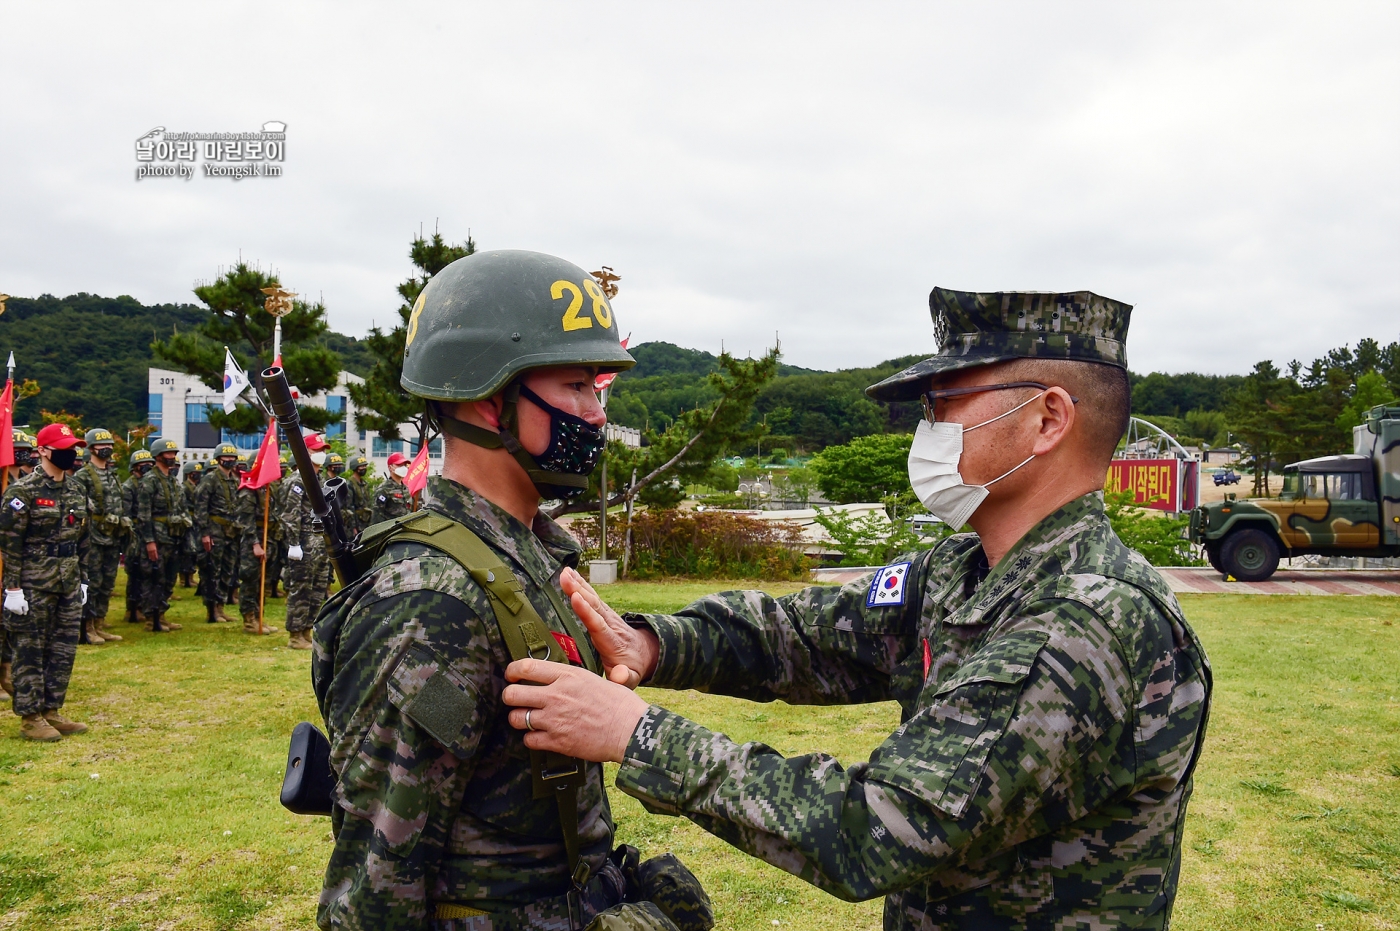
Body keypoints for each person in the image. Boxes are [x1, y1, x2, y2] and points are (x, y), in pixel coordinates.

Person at [503, 288, 1214, 930]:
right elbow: (802, 636)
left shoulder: (1084, 623)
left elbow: (874, 827)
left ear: (1047, 419)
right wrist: (653, 645)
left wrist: (637, 733)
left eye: (947, 403)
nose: (928, 429)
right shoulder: (963, 572)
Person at [312, 250, 710, 931]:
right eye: (575, 386)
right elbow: (377, 883)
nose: (595, 413)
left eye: (598, 389)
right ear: (487, 397)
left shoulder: (532, 556)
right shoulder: (431, 603)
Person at [0, 423, 92, 741]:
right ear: (42, 451)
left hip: (67, 581)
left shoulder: (77, 490)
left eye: (73, 448)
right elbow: (10, 544)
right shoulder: (22, 492)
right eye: (63, 448)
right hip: (33, 584)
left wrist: (84, 581)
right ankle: (30, 717)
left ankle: (52, 710)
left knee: (62, 650)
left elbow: (83, 540)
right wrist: (12, 588)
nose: (70, 453)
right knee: (29, 650)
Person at [70, 428, 125, 644]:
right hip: (92, 537)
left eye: (110, 445)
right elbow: (79, 504)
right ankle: (87, 627)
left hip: (112, 537)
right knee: (91, 582)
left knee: (107, 583)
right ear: (91, 448)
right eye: (102, 446)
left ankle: (100, 624)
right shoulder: (84, 475)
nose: (107, 449)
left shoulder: (112, 475)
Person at [278, 455, 331, 651]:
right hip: (304, 543)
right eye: (317, 450)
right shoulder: (297, 480)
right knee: (301, 589)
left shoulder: (319, 479)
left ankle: (307, 630)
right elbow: (291, 515)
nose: (321, 454)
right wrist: (293, 543)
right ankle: (295, 634)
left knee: (317, 589)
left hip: (320, 543)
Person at [137, 438, 191, 632]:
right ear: (158, 455)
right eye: (169, 454)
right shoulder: (149, 481)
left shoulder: (172, 481)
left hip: (173, 538)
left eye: (174, 454)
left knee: (169, 578)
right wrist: (149, 541)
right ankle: (151, 618)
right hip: (157, 538)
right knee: (154, 578)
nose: (172, 457)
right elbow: (143, 515)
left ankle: (161, 614)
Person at [193, 443, 241, 625]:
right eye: (226, 458)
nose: (230, 461)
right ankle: (211, 609)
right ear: (219, 459)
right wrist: (204, 533)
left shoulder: (234, 480)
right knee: (212, 570)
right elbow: (200, 508)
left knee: (227, 570)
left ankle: (221, 607)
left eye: (232, 458)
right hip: (214, 531)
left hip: (230, 531)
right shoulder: (210, 479)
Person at [234, 457, 279, 636]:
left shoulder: (266, 489)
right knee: (251, 579)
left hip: (267, 538)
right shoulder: (248, 491)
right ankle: (249, 619)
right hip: (253, 541)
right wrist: (255, 544)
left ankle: (259, 616)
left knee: (263, 580)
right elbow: (246, 522)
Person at [121, 449, 155, 625]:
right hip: (134, 534)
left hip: (147, 531)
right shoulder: (128, 487)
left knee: (146, 573)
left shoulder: (149, 483)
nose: (147, 467)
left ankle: (143, 606)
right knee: (134, 573)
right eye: (143, 464)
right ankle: (132, 609)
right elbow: (126, 513)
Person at [369, 451, 411, 524]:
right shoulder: (383, 489)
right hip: (391, 532)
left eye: (404, 465)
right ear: (390, 467)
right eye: (399, 465)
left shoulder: (406, 489)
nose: (403, 468)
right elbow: (376, 516)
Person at [179, 460, 203, 588]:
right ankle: (184, 578)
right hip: (188, 522)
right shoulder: (183, 488)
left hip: (197, 521)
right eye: (195, 473)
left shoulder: (199, 487)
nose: (197, 475)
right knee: (187, 551)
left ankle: (191, 576)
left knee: (195, 551)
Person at [344, 455, 373, 536]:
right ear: (355, 468)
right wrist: (353, 527)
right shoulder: (349, 484)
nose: (364, 468)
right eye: (361, 466)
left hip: (366, 523)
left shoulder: (364, 484)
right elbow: (349, 507)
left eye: (365, 466)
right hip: (356, 524)